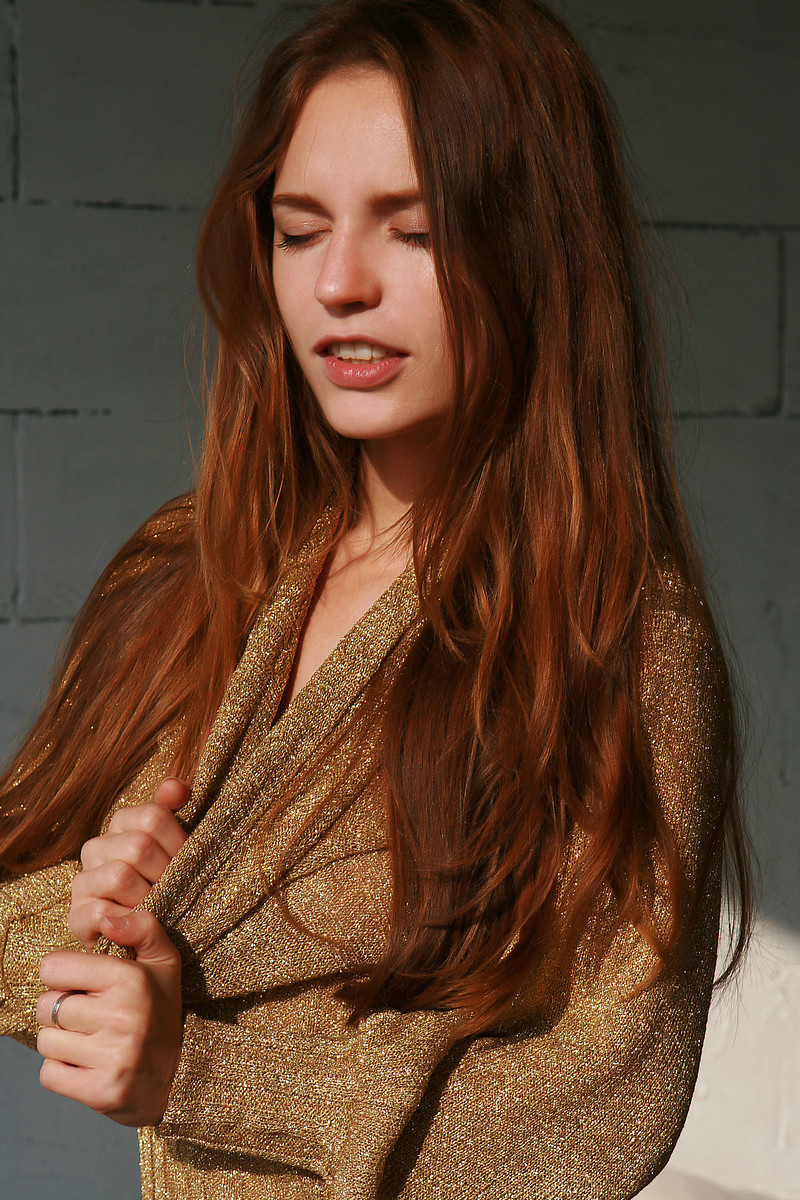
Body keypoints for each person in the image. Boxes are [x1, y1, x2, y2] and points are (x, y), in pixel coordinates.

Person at [0, 1, 753, 1197]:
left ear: (532, 247)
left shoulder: (616, 638)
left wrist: (201, 1071)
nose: (338, 284)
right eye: (298, 231)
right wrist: (99, 920)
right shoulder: (191, 565)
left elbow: (599, 1108)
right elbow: (15, 907)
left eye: (413, 231)